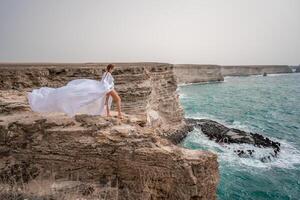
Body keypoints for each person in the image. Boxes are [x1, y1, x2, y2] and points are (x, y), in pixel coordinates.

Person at [27, 64, 123, 118]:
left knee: (106, 101)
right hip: (108, 89)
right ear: (110, 68)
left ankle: (109, 113)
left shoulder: (105, 73)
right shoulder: (108, 74)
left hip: (106, 89)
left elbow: (103, 82)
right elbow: (106, 83)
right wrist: (108, 88)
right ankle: (119, 114)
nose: (113, 70)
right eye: (113, 69)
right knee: (118, 99)